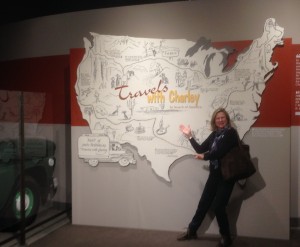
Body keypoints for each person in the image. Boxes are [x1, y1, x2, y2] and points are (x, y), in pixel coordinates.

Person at [177, 107, 239, 247]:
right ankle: (192, 231)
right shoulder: (214, 135)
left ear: (227, 119)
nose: (220, 120)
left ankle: (226, 237)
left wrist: (205, 156)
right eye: (218, 118)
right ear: (214, 121)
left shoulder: (231, 133)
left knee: (218, 206)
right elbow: (200, 149)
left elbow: (219, 152)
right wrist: (190, 136)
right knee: (203, 203)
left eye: (223, 117)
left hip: (227, 176)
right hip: (215, 174)